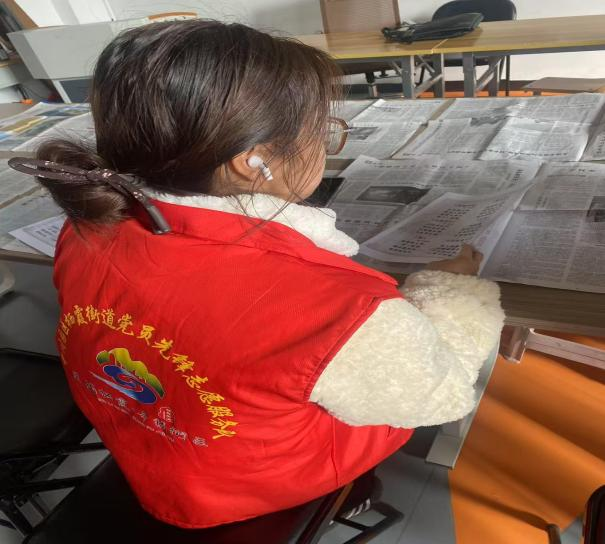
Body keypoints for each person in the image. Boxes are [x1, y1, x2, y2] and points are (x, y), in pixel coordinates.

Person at [10, 20, 504, 529]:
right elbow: (441, 394)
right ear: (254, 162)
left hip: (146, 446)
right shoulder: (338, 308)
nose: (325, 144)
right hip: (246, 487)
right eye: (322, 131)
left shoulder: (89, 224)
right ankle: (348, 491)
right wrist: (452, 290)